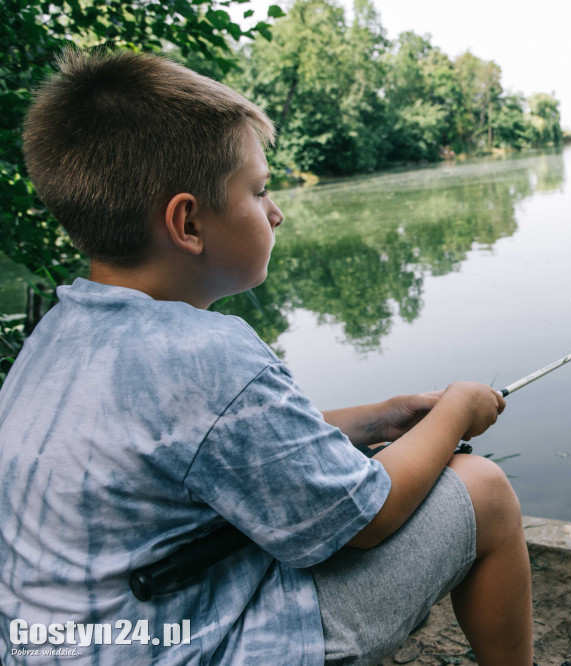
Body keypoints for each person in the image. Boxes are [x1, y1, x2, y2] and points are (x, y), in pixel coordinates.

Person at [0, 49, 533, 666]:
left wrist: (373, 420)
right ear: (188, 224)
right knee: (484, 489)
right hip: (181, 650)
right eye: (258, 191)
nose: (275, 212)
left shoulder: (59, 333)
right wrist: (460, 407)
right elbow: (371, 518)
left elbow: (197, 447)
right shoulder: (207, 353)